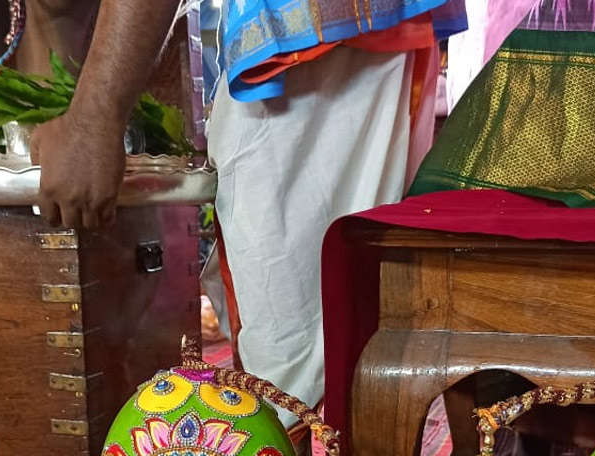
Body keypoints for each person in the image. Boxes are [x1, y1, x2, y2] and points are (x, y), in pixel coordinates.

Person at [32, 0, 466, 424]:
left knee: (286, 361)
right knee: (366, 317)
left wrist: (95, 119)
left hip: (308, 36)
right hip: (363, 30)